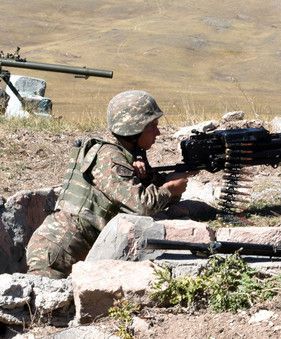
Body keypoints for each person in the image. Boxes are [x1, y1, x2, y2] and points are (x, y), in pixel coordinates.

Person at [26, 90, 215, 279]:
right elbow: (142, 206)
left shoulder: (124, 152)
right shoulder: (110, 157)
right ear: (134, 128)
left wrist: (167, 180)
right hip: (59, 249)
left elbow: (136, 189)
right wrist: (169, 189)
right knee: (41, 304)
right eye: (152, 126)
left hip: (70, 245)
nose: (158, 132)